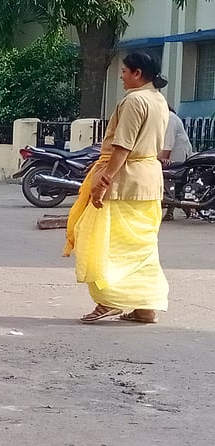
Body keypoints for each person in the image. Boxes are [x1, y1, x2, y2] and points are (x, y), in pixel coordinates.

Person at [65, 52, 170, 325]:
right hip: (149, 181)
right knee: (142, 247)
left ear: (137, 73)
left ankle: (108, 300)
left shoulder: (135, 100)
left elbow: (122, 146)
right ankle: (145, 307)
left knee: (107, 243)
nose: (121, 76)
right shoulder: (158, 100)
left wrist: (103, 180)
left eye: (124, 71)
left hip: (125, 181)